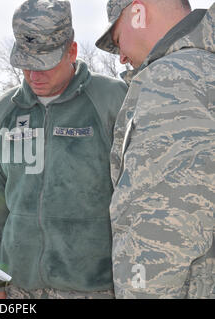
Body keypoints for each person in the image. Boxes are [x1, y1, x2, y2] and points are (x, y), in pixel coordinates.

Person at [0, 0, 128, 299]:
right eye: (26, 64)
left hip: (92, 287)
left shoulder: (112, 100)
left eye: (45, 64)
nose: (34, 75)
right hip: (18, 286)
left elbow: (135, 202)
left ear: (72, 52)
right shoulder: (3, 111)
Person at [96, 0, 214, 298]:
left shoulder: (171, 79)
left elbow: (159, 233)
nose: (121, 57)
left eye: (118, 40)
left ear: (138, 11)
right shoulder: (205, 66)